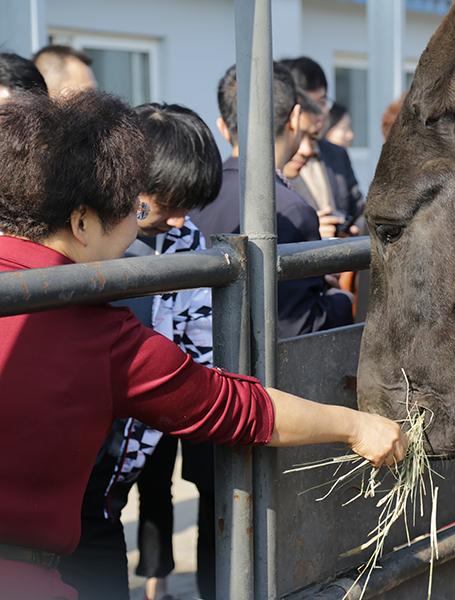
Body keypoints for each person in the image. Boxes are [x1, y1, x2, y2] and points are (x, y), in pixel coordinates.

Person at [0, 90, 407, 600]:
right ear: (81, 222)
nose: (141, 221)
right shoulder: (94, 333)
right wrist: (354, 424)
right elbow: (228, 405)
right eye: (132, 206)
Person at [57, 102, 223, 600]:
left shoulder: (187, 243)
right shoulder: (77, 240)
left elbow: (201, 345)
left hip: (129, 455)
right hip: (73, 458)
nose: (178, 219)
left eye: (188, 206)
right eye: (168, 202)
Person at [191, 63, 353, 339]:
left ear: (223, 127)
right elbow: (299, 325)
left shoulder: (195, 196)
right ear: (295, 118)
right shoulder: (292, 211)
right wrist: (342, 300)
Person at [279, 57, 364, 234]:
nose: (319, 112)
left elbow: (360, 210)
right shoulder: (269, 173)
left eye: (323, 101)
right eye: (309, 105)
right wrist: (312, 231)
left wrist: (353, 229)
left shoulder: (337, 154)